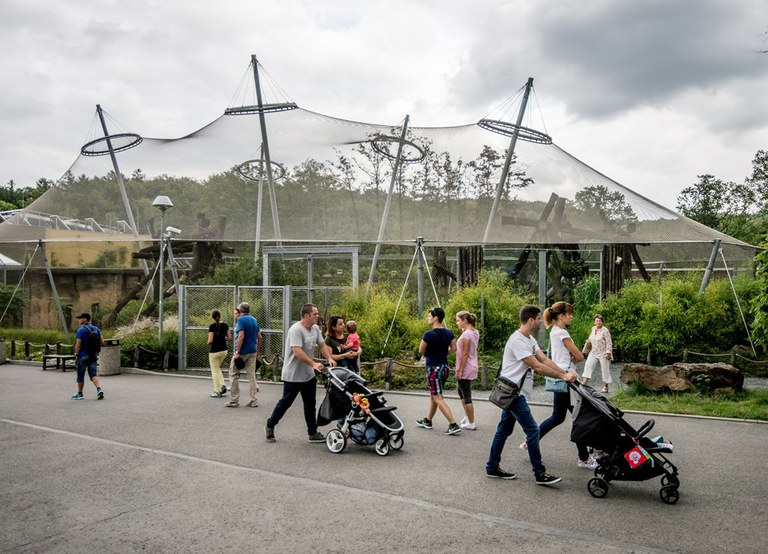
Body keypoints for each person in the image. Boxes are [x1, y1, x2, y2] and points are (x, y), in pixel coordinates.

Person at [485, 304, 577, 485]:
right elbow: (537, 366)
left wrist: (564, 372)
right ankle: (540, 473)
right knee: (533, 431)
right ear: (530, 320)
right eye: (538, 319)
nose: (541, 322)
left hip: (515, 392)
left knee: (503, 430)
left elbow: (544, 359)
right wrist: (562, 376)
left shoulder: (530, 339)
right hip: (512, 393)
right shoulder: (517, 341)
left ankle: (492, 467)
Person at [530, 301, 595, 470]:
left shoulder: (554, 332)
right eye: (569, 314)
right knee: (579, 417)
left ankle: (529, 442)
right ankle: (584, 458)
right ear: (561, 316)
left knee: (558, 416)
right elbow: (580, 356)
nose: (571, 316)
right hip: (568, 378)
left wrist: (573, 357)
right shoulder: (563, 333)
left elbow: (566, 355)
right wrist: (581, 353)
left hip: (559, 377)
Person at [265, 303, 336, 443]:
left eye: (317, 313)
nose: (317, 316)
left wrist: (329, 358)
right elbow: (297, 351)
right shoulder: (296, 330)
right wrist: (314, 364)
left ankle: (312, 432)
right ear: (306, 316)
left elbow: (322, 345)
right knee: (285, 403)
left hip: (308, 375)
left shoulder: (315, 328)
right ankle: (270, 424)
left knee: (310, 404)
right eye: (315, 314)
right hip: (293, 375)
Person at [416, 307, 461, 435]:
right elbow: (454, 348)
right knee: (434, 395)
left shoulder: (428, 334)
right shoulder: (449, 332)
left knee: (438, 397)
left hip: (433, 368)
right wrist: (443, 353)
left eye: (429, 316)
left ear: (436, 318)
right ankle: (428, 420)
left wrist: (430, 354)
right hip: (444, 368)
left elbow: (421, 350)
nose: (427, 318)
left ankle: (453, 424)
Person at [225, 302, 262, 408]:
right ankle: (253, 400)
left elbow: (241, 336)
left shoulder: (241, 320)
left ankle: (234, 400)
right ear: (249, 310)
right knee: (251, 376)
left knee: (233, 374)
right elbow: (260, 337)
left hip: (242, 352)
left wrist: (238, 352)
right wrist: (258, 350)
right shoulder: (254, 320)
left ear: (240, 311)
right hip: (252, 351)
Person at [71, 312, 105, 400]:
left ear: (85, 319)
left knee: (80, 374)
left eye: (81, 318)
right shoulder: (96, 329)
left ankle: (80, 393)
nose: (79, 320)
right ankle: (99, 389)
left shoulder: (81, 330)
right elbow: (102, 341)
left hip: (83, 356)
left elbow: (78, 344)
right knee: (93, 374)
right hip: (93, 355)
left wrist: (76, 353)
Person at [455, 310, 479, 430]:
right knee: (460, 392)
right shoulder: (474, 332)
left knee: (466, 394)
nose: (457, 323)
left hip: (466, 367)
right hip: (472, 365)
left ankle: (471, 422)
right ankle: (468, 415)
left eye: (458, 320)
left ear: (465, 321)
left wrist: (459, 370)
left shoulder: (466, 335)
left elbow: (464, 354)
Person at [581, 314, 613, 393]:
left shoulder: (605, 330)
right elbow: (590, 339)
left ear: (602, 322)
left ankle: (606, 386)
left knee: (605, 369)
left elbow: (609, 342)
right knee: (588, 366)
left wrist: (608, 352)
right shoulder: (593, 329)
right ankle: (583, 384)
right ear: (594, 322)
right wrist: (585, 349)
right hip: (593, 352)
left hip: (603, 353)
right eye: (597, 321)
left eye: (600, 321)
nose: (598, 322)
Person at [207, 309, 231, 398]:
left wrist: (208, 342)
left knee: (214, 370)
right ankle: (222, 385)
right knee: (217, 368)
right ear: (220, 316)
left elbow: (210, 341)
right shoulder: (225, 325)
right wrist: (222, 339)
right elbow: (229, 338)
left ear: (212, 317)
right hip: (224, 350)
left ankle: (217, 391)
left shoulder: (212, 326)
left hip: (214, 351)